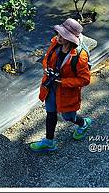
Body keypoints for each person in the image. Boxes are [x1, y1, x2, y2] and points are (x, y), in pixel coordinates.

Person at [29, 18, 93, 152]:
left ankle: (83, 123)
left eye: (62, 35)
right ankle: (49, 141)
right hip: (51, 87)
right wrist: (46, 67)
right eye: (58, 33)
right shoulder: (55, 43)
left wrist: (63, 82)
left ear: (70, 39)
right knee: (50, 113)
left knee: (68, 117)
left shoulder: (80, 57)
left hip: (66, 91)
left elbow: (85, 79)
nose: (58, 37)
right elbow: (47, 58)